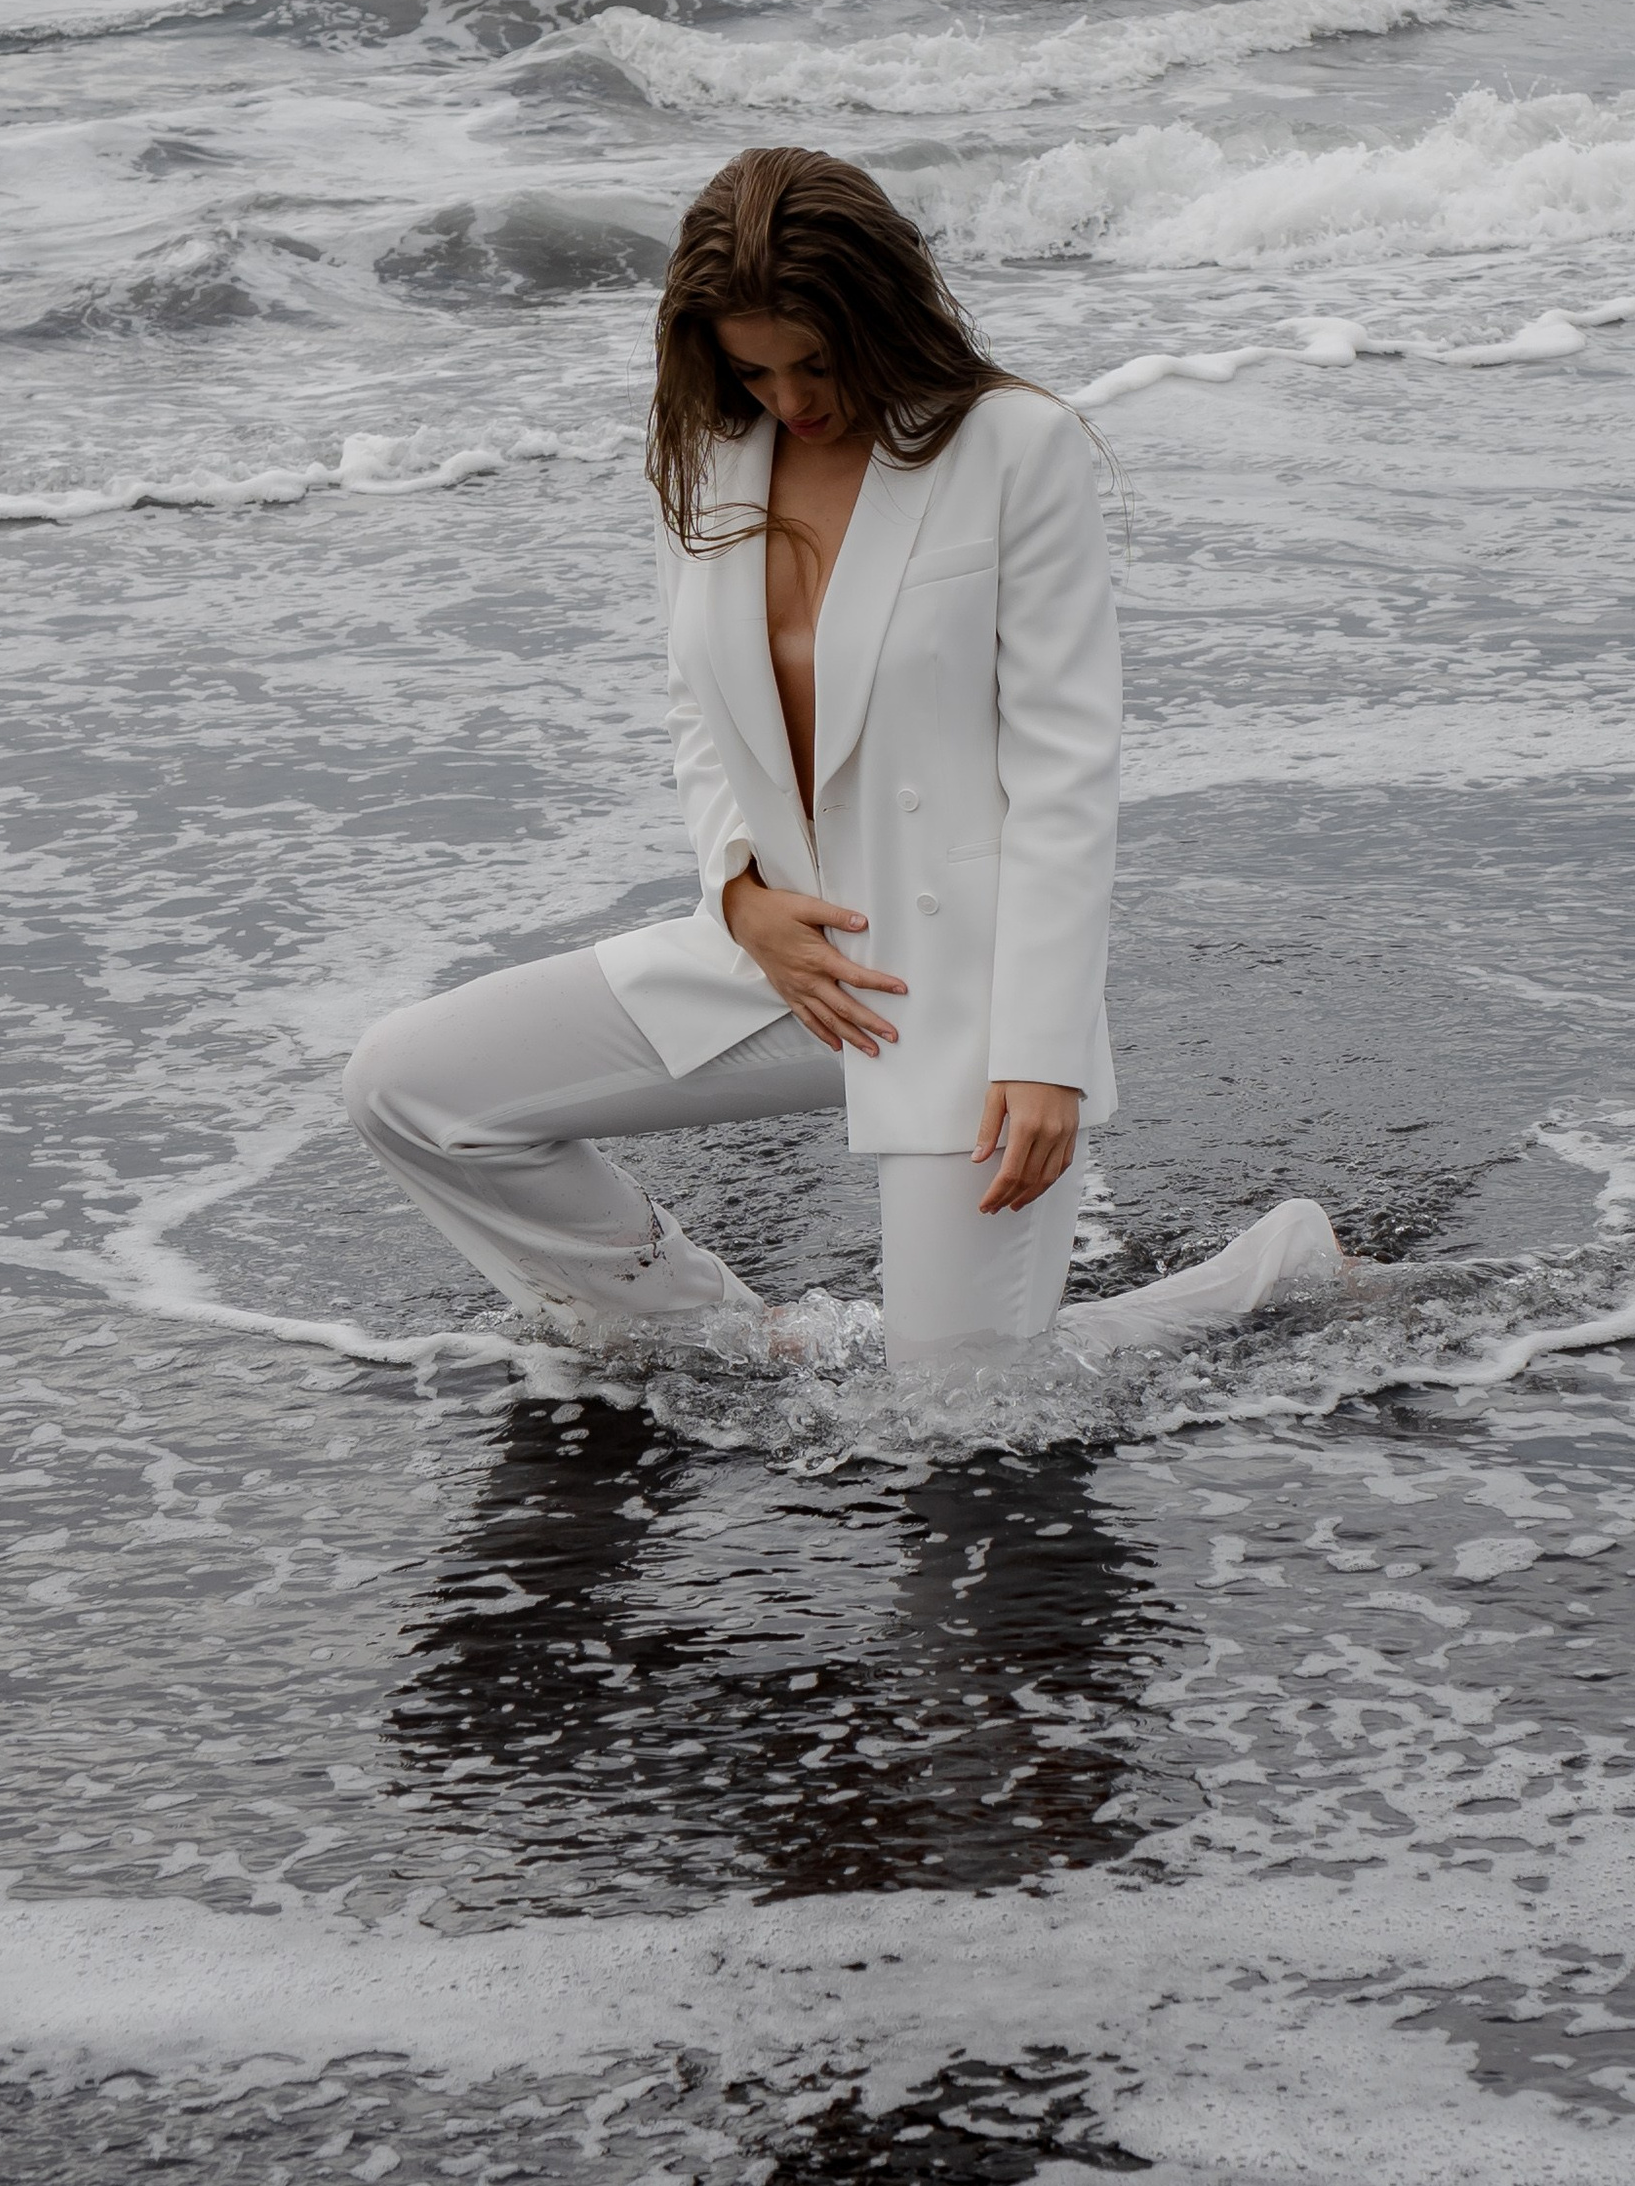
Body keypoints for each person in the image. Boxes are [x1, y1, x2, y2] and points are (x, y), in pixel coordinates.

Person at [343, 145, 1340, 1369]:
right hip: (779, 952)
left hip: (962, 985)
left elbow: (1065, 771)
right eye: (752, 369)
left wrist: (1042, 1054)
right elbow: (698, 704)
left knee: (955, 1411)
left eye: (815, 362)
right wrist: (738, 891)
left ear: (880, 315)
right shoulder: (708, 456)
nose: (790, 399)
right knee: (408, 1085)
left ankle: (1272, 1271)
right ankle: (729, 1336)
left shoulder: (1013, 447)